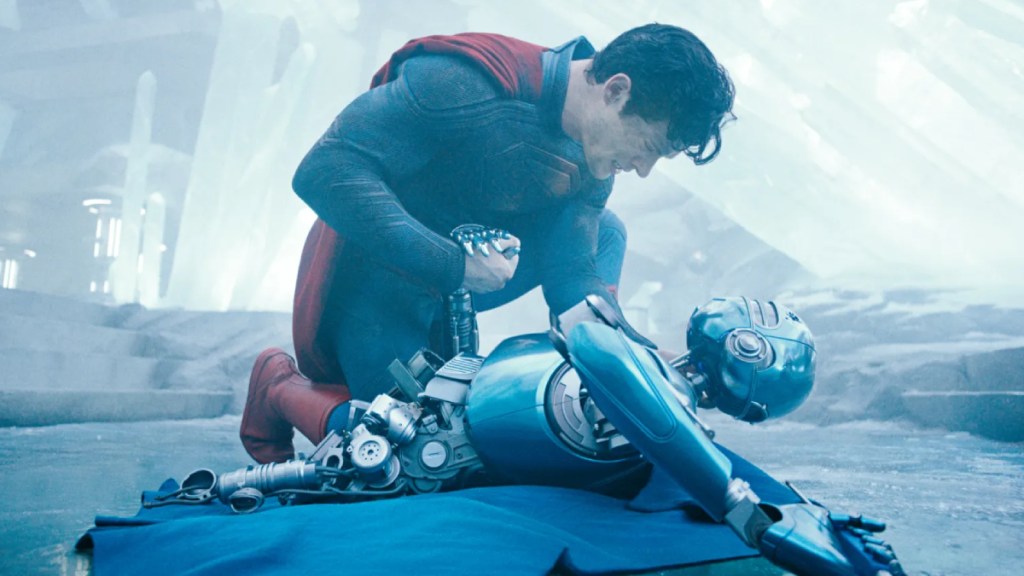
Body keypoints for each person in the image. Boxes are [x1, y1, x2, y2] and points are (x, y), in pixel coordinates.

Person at [240, 23, 736, 464]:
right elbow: (324, 170)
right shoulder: (465, 83)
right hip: (377, 283)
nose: (644, 170)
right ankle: (279, 389)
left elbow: (572, 278)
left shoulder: (593, 159)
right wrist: (454, 266)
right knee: (413, 453)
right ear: (616, 90)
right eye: (648, 148)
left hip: (456, 287)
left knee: (606, 230)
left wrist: (638, 358)